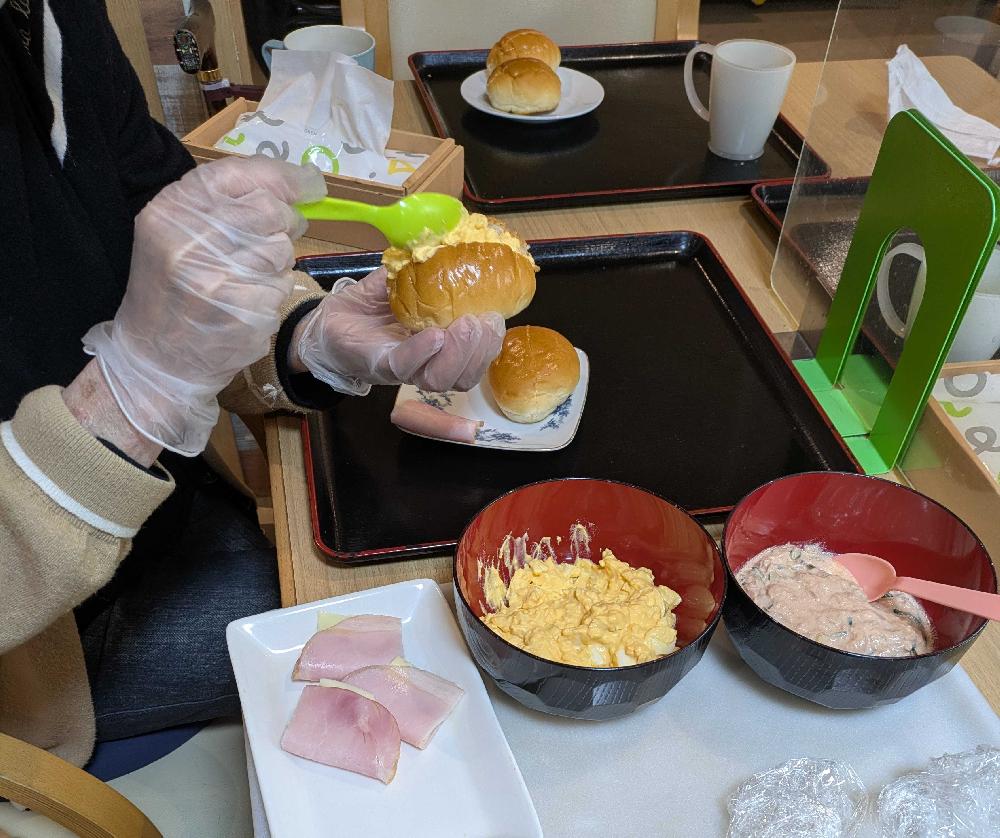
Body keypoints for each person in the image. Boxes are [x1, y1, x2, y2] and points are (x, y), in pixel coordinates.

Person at [0, 0, 504, 767]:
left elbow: (170, 222)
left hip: (177, 502)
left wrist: (304, 338)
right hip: (43, 660)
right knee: (435, 629)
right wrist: (129, 399)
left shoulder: (53, 17)